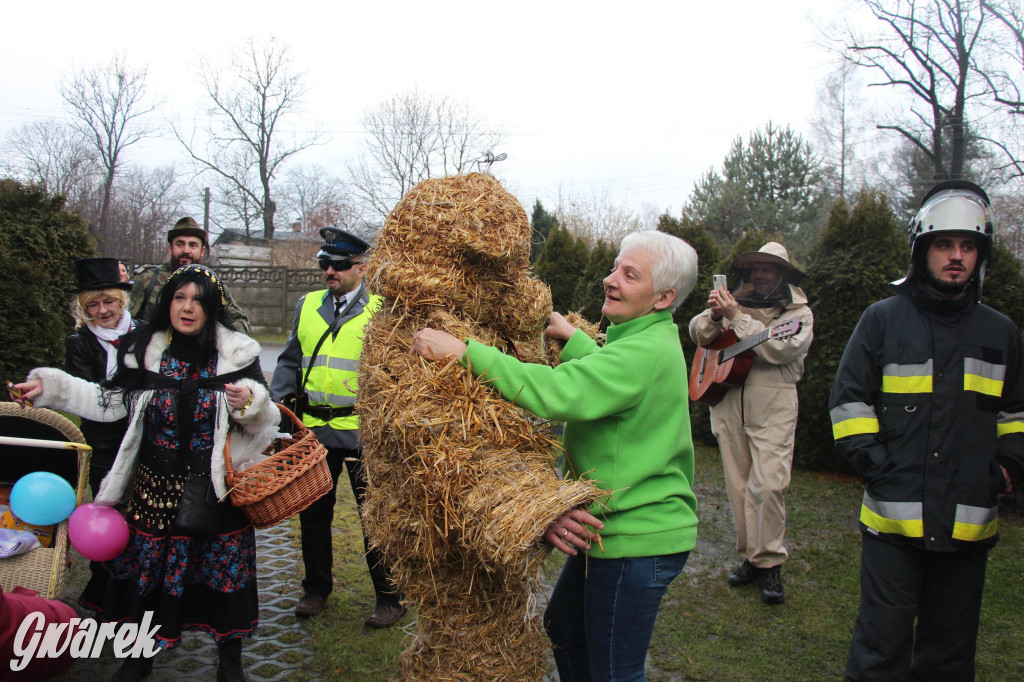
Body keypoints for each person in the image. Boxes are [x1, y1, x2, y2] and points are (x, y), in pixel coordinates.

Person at [410, 230, 699, 682]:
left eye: (629, 274)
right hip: (611, 530)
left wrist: (465, 353)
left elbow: (560, 393)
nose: (611, 280)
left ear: (664, 297)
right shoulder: (647, 339)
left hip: (635, 538)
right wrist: (575, 341)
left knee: (614, 672)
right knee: (564, 628)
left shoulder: (643, 351)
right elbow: (609, 370)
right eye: (614, 268)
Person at [13, 264, 279, 682]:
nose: (187, 308)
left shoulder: (237, 354)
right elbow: (108, 402)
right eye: (179, 298)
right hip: (153, 492)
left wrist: (251, 401)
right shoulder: (143, 349)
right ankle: (138, 659)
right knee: (149, 578)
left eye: (198, 300)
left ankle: (230, 662)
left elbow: (267, 421)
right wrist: (50, 388)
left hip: (215, 492)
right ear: (166, 302)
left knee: (223, 573)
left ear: (212, 308)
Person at [829, 180, 1024, 681]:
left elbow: (1017, 414)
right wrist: (875, 466)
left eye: (968, 246)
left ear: (981, 255)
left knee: (950, 657)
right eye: (944, 244)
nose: (956, 256)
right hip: (895, 526)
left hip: (967, 524)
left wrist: (1005, 470)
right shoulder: (882, 321)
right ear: (922, 250)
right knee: (880, 651)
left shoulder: (1000, 333)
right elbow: (849, 399)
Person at [270, 227, 403, 626]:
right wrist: (280, 410)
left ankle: (390, 597)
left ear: (360, 268)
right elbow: (290, 360)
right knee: (312, 515)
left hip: (364, 432)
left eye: (339, 264)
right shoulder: (307, 305)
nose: (329, 270)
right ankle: (315, 590)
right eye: (324, 264)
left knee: (375, 517)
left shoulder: (383, 309)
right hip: (314, 431)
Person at [688, 241, 813, 604]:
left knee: (769, 484)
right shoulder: (732, 299)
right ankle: (751, 558)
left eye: (768, 269)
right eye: (755, 269)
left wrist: (736, 317)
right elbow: (698, 334)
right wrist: (714, 316)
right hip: (727, 402)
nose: (760, 275)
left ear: (782, 274)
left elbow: (778, 349)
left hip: (773, 402)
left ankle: (771, 561)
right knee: (739, 486)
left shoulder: (798, 314)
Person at [64, 257, 144, 496]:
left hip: (147, 436)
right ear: (84, 308)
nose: (103, 310)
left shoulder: (146, 332)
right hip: (104, 442)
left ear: (121, 301)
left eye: (109, 301)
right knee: (109, 502)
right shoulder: (79, 344)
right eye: (93, 304)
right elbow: (84, 396)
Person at [131, 217, 251, 335]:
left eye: (193, 245)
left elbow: (240, 323)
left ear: (202, 251)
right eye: (180, 244)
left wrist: (214, 338)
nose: (186, 250)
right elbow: (124, 321)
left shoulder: (213, 285)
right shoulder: (147, 279)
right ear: (170, 249)